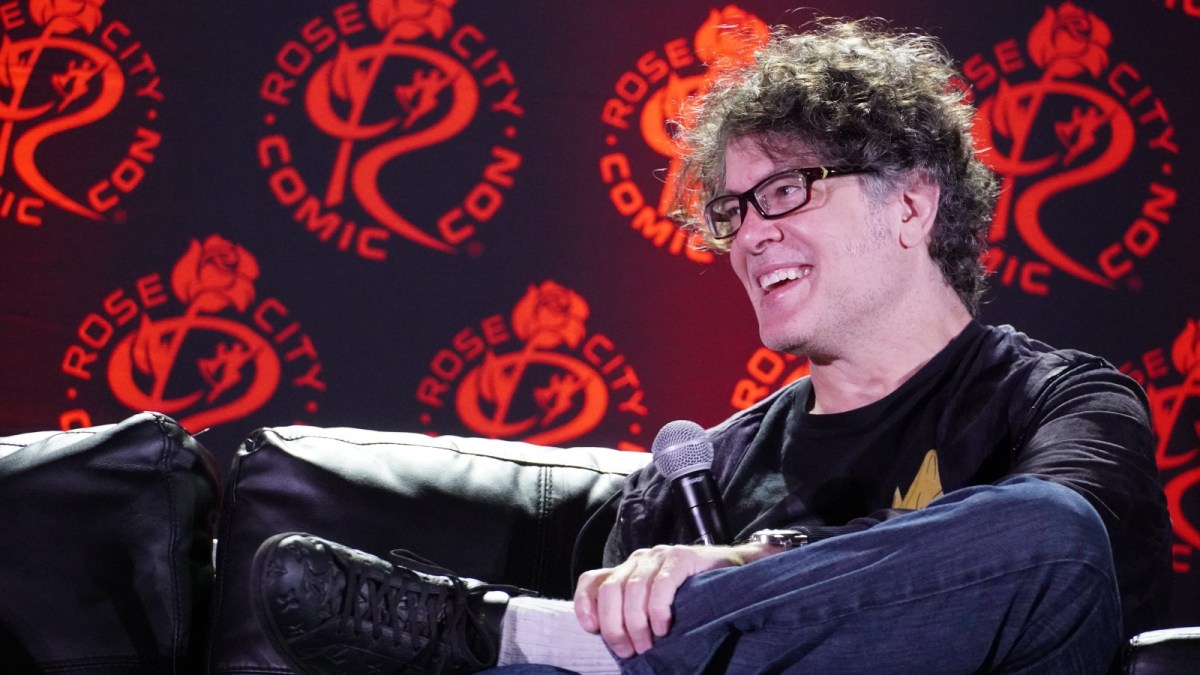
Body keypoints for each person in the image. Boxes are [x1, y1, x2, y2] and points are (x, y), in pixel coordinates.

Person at [250, 18, 1171, 674]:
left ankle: (512, 633)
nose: (749, 233)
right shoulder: (691, 480)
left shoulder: (1065, 400)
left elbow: (1057, 566)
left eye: (787, 190)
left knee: (1047, 533)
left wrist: (741, 565)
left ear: (913, 203)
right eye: (733, 209)